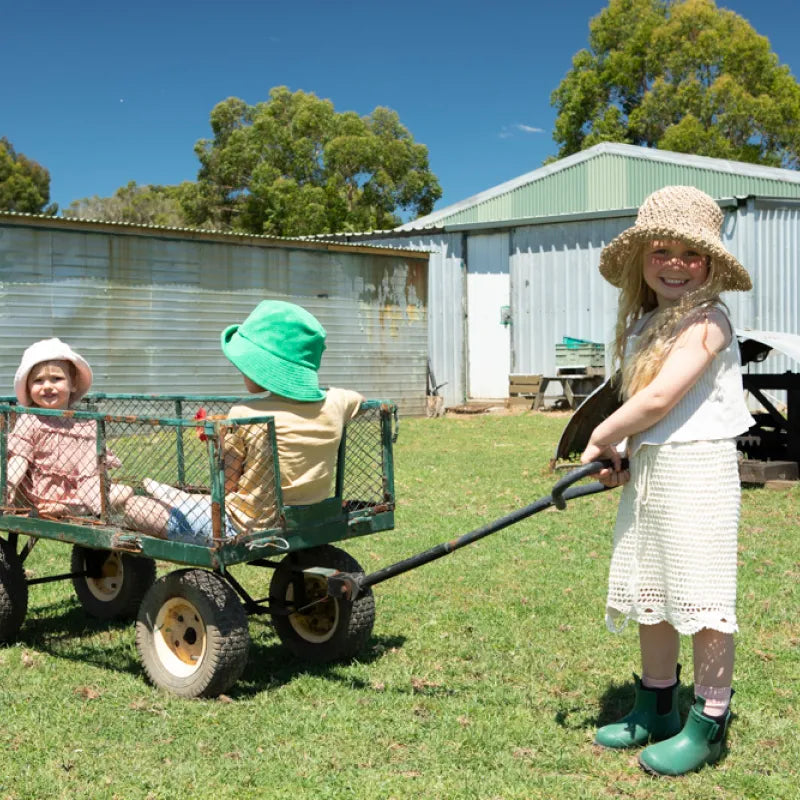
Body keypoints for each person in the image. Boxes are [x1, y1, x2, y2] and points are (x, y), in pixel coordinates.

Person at [580, 186, 754, 776]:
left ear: (710, 265)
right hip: (654, 473)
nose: (675, 264)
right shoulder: (647, 324)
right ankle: (655, 704)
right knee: (649, 590)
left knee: (702, 600)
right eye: (662, 251)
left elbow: (660, 397)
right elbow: (648, 414)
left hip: (698, 472)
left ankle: (707, 720)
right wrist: (624, 452)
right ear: (642, 259)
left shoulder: (709, 322)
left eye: (691, 254)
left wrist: (601, 434)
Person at [128, 300, 365, 543]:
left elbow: (227, 485)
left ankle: (161, 496)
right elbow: (359, 400)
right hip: (309, 517)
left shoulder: (244, 413)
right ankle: (170, 494)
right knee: (180, 498)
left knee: (133, 506)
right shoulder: (337, 402)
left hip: (246, 525)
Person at [7, 338, 134, 517]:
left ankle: (73, 509)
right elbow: (20, 458)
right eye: (38, 381)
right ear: (28, 388)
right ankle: (70, 510)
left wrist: (95, 488)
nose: (47, 387)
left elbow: (91, 470)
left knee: (125, 491)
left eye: (56, 379)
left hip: (80, 493)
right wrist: (10, 483)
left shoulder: (85, 424)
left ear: (73, 383)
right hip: (40, 494)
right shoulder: (31, 419)